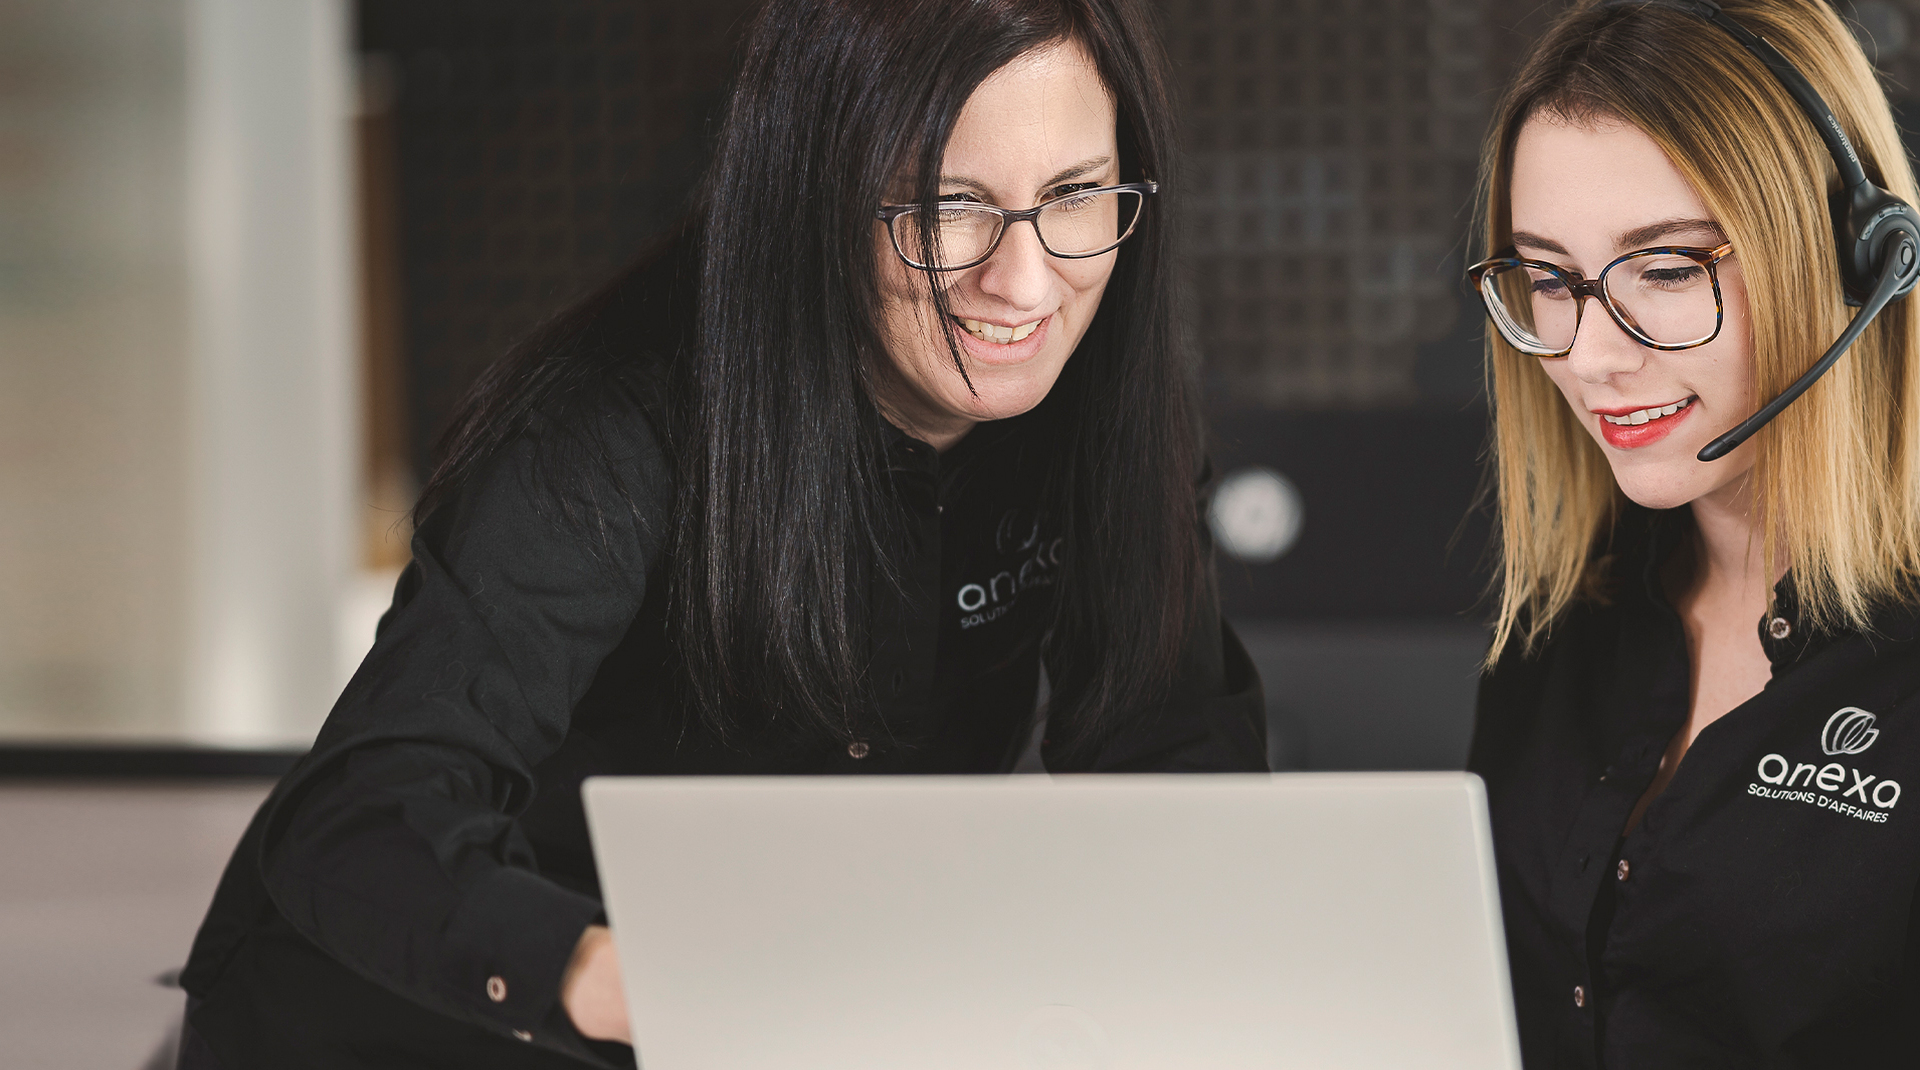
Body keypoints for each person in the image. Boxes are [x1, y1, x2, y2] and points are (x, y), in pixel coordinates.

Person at [176, 0, 1267, 1065]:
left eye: (1074, 194)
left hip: (786, 1008)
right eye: (948, 208)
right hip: (422, 1022)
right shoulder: (606, 432)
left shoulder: (1112, 412)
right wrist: (620, 973)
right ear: (813, 197)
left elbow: (1163, 753)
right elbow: (361, 816)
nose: (1024, 282)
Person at [1465, 0, 1920, 1064]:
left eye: (1665, 270)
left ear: (1857, 259)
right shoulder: (1566, 626)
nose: (1586, 357)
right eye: (1549, 278)